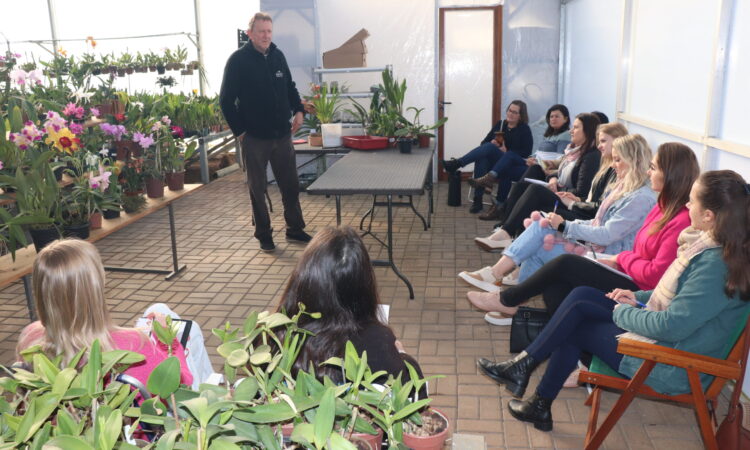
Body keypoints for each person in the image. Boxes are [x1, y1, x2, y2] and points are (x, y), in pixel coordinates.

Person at [476, 170, 750, 432]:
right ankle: (527, 377)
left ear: (709, 216)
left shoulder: (715, 264)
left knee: (576, 323)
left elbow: (672, 325)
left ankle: (531, 386)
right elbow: (675, 298)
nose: (687, 205)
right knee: (581, 296)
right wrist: (636, 297)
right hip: (673, 344)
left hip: (673, 363)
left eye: (692, 200)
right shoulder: (714, 249)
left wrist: (622, 312)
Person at [480, 142, 699, 324]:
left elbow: (650, 271)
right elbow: (603, 224)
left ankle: (507, 296)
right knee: (550, 261)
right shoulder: (658, 204)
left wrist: (567, 226)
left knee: (561, 260)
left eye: (654, 168)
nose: (649, 172)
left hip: (634, 282)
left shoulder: (658, 206)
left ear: (670, 174)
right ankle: (537, 323)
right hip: (617, 261)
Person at [460, 134, 656, 305]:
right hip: (599, 249)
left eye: (618, 160)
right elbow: (598, 223)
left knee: (541, 231)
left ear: (634, 160)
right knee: (541, 232)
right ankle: (510, 300)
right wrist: (565, 223)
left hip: (610, 258)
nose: (614, 165)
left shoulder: (640, 197)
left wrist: (564, 225)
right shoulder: (624, 188)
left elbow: (606, 235)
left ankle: (500, 282)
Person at [16, 239, 193, 389]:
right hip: (140, 427)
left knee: (159, 309)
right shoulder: (135, 346)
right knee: (188, 330)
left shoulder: (30, 338)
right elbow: (181, 384)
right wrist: (167, 340)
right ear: (95, 285)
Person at [277, 226, 425, 392]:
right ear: (364, 283)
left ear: (304, 277)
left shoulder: (275, 334)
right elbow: (412, 397)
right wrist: (405, 358)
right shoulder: (376, 341)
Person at [220, 12, 311, 253]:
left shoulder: (278, 56)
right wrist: (241, 133)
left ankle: (294, 228)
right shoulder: (238, 60)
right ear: (250, 33)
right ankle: (264, 234)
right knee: (257, 190)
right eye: (261, 31)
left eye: (269, 31)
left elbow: (290, 87)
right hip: (254, 138)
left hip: (282, 135)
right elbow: (226, 101)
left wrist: (299, 110)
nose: (266, 36)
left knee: (290, 185)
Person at [476, 121, 624, 252]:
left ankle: (509, 235)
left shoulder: (596, 159)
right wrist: (559, 183)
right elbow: (562, 175)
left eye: (603, 141)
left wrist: (573, 200)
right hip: (577, 203)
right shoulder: (580, 154)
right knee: (524, 185)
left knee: (534, 193)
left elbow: (596, 204)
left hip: (584, 215)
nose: (599, 145)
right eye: (599, 140)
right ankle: (509, 234)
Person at [441, 100, 533, 215]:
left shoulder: (524, 129)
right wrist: (493, 143)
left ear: (521, 116)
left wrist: (506, 151)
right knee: (483, 156)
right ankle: (478, 201)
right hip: (496, 162)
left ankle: (457, 164)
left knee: (487, 152)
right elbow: (483, 143)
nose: (510, 114)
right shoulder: (500, 124)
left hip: (512, 162)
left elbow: (526, 153)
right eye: (509, 110)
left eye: (514, 112)